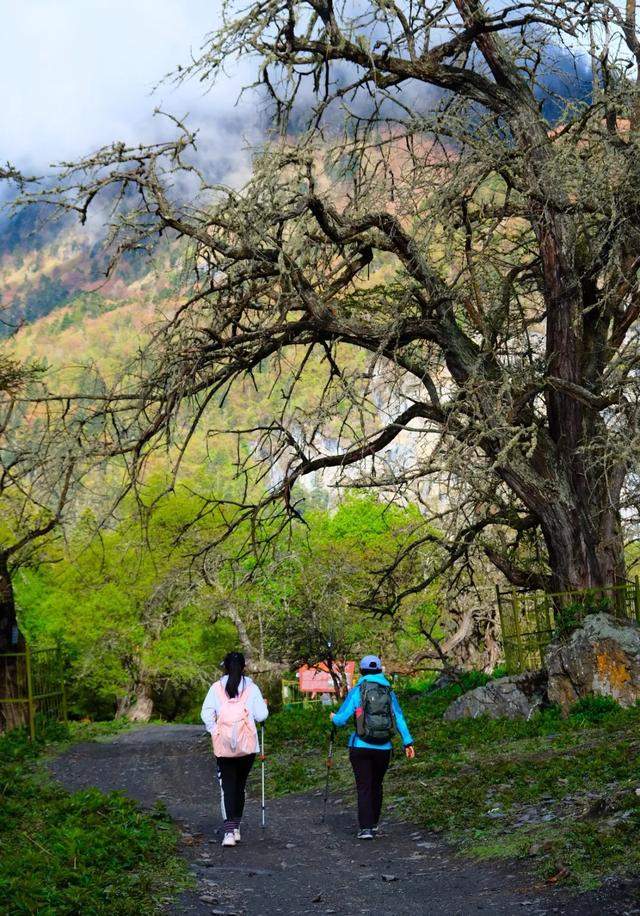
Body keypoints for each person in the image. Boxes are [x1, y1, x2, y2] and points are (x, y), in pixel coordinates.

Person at [330, 654, 415, 840]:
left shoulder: (358, 690)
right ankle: (374, 824)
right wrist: (408, 742)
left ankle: (366, 829)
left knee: (364, 787)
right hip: (384, 748)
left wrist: (333, 718)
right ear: (379, 670)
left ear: (362, 671)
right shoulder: (388, 691)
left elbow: (341, 720)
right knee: (377, 784)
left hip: (360, 746)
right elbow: (399, 717)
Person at [201, 651, 268, 847]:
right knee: (240, 786)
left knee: (227, 786)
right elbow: (261, 715)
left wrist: (215, 732)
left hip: (224, 746)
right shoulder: (252, 688)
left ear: (225, 667)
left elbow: (206, 715)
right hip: (247, 747)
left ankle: (229, 832)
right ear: (244, 667)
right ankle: (236, 827)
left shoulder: (216, 688)